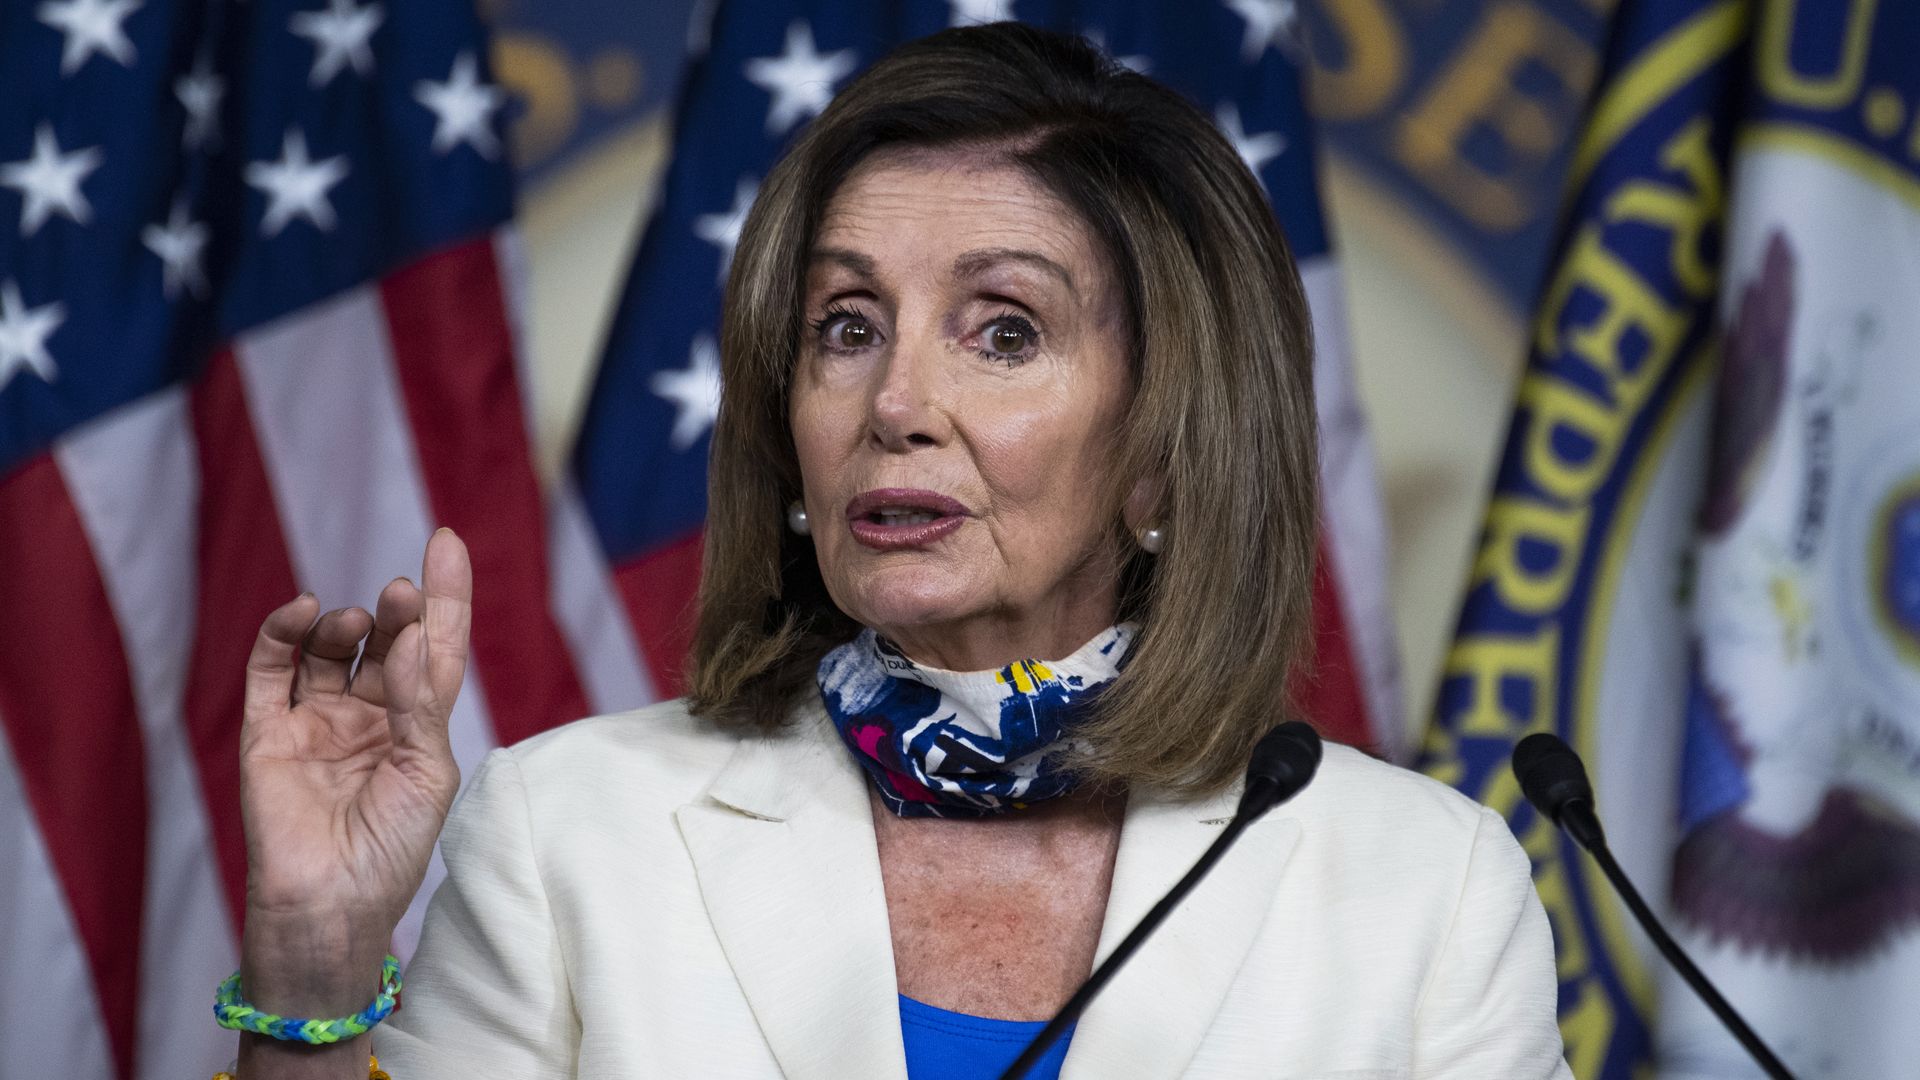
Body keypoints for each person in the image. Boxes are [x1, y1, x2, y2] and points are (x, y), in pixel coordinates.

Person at [228, 23, 1571, 1080]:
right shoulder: (571, 830)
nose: (896, 407)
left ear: (1166, 446)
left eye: (1002, 332)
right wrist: (314, 955)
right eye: (847, 326)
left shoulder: (1423, 892)